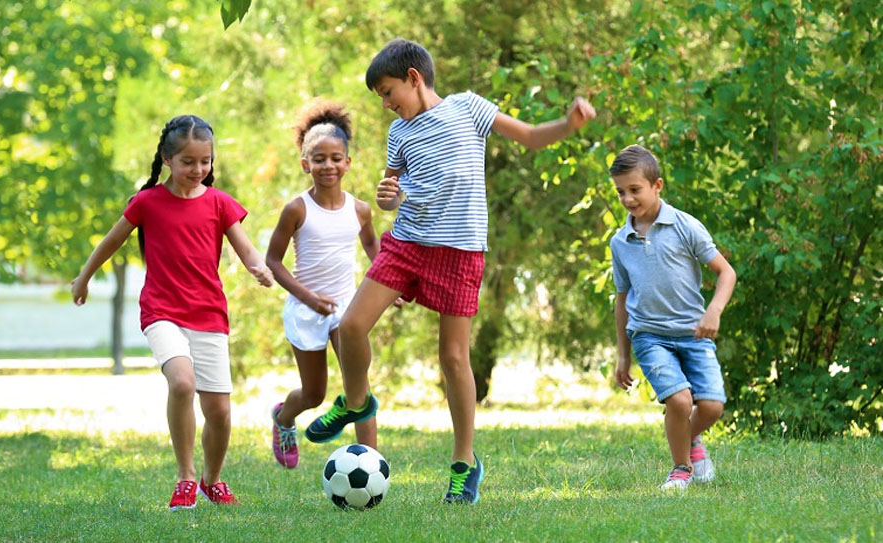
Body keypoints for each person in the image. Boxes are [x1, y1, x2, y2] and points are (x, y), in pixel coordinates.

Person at [304, 38, 596, 504]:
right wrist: (388, 199)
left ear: (414, 78)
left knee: (454, 358)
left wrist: (568, 123)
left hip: (460, 251)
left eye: (387, 91)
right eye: (379, 97)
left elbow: (529, 136)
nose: (385, 104)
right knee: (353, 326)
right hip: (407, 243)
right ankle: (354, 402)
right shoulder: (399, 133)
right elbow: (396, 190)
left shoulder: (468, 108)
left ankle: (464, 464)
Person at [71, 115, 274, 510]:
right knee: (181, 383)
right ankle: (184, 477)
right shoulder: (147, 202)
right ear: (167, 158)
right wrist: (83, 277)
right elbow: (110, 242)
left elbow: (244, 246)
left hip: (209, 313)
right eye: (188, 162)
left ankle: (211, 480)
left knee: (219, 412)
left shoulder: (220, 203)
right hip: (162, 309)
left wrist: (258, 267)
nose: (198, 170)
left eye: (205, 162)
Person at [609, 144, 737, 490]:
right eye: (621, 191)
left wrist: (714, 311)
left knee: (711, 406)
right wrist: (623, 355)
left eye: (635, 190)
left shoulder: (685, 226)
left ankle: (690, 440)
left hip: (694, 332)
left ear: (657, 186)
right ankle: (681, 468)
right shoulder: (620, 241)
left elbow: (726, 273)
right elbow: (622, 299)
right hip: (649, 335)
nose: (627, 198)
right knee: (679, 400)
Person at [264, 99, 382, 469]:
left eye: (335, 158)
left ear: (348, 162)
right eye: (318, 158)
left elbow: (373, 248)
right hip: (305, 308)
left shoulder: (360, 210)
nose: (327, 165)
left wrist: (387, 286)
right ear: (305, 164)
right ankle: (284, 418)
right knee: (314, 393)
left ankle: (372, 462)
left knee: (357, 387)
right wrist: (308, 297)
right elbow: (273, 261)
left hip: (347, 309)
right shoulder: (297, 209)